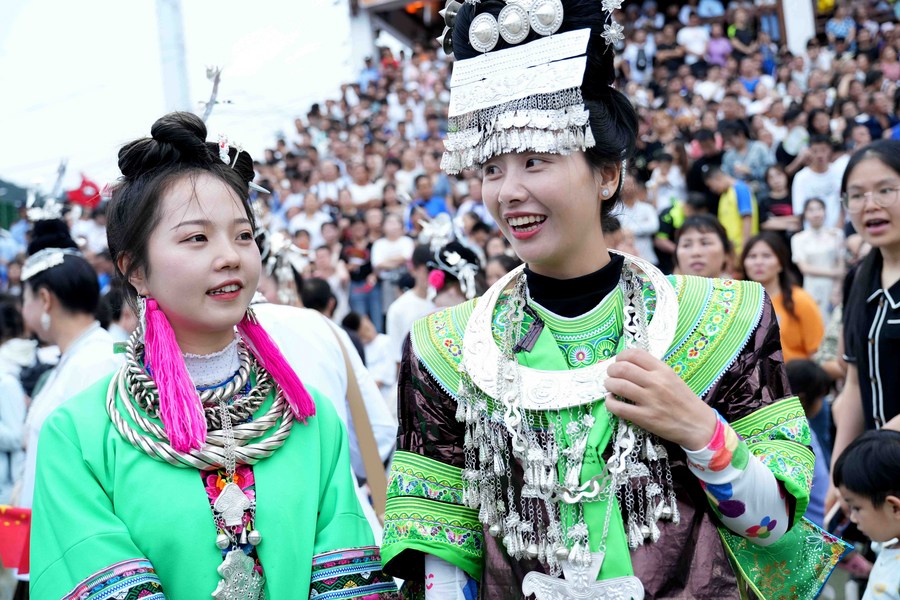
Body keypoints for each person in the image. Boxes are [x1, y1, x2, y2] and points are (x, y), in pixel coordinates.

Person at [382, 3, 845, 598]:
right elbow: (444, 558)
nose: (509, 191)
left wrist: (698, 429)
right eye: (491, 168)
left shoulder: (721, 318)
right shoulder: (443, 350)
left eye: (535, 161)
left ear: (606, 176)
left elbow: (772, 524)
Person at [28, 113, 398, 599]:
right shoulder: (80, 437)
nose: (230, 256)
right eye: (197, 238)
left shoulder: (311, 421)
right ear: (134, 269)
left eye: (243, 235)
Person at [829, 140, 900, 514]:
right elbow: (855, 384)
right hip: (880, 477)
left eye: (886, 190)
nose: (870, 204)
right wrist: (839, 475)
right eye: (856, 195)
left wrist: (867, 456)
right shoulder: (859, 278)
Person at [833, 430, 900, 600]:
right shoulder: (889, 541)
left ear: (894, 508)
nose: (852, 517)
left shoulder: (893, 581)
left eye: (856, 508)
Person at [741, 232, 825, 362]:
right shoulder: (737, 303)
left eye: (766, 256)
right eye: (752, 256)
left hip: (793, 373)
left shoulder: (800, 299)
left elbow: (816, 353)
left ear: (780, 263)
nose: (758, 262)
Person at [791, 198, 845, 321]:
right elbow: (804, 268)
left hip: (834, 288)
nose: (816, 214)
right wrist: (834, 272)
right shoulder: (798, 238)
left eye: (819, 209)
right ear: (805, 214)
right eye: (811, 210)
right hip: (812, 286)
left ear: (825, 211)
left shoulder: (837, 234)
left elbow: (841, 263)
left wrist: (837, 289)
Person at [703, 165, 759, 255]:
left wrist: (745, 248)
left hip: (741, 248)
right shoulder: (724, 195)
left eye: (711, 185)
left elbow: (747, 219)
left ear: (718, 178)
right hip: (731, 249)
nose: (712, 189)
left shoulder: (740, 189)